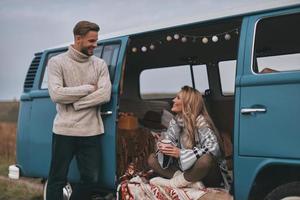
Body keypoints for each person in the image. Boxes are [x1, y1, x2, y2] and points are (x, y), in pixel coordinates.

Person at [46, 21, 112, 200]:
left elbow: (105, 94)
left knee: (91, 179)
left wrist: (76, 104)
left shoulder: (100, 65)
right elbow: (57, 95)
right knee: (57, 179)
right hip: (64, 130)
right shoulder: (56, 62)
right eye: (91, 41)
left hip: (91, 131)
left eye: (96, 40)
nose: (95, 45)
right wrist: (88, 88)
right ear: (78, 38)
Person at [148, 86, 231, 190]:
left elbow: (214, 149)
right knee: (152, 159)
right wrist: (163, 146)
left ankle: (174, 183)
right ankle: (190, 183)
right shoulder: (176, 122)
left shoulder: (202, 123)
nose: (173, 100)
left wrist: (180, 153)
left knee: (205, 160)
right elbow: (169, 140)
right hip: (185, 170)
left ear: (187, 103)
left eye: (178, 98)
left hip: (206, 173)